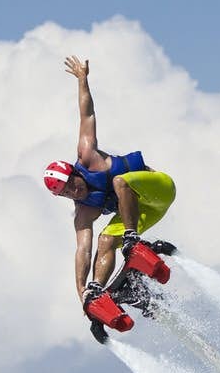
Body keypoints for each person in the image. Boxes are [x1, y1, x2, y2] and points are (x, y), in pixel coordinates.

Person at [42, 57, 176, 312]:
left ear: (73, 172)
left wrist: (83, 79)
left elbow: (87, 114)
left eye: (70, 183)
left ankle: (131, 238)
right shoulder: (83, 212)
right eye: (66, 192)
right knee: (104, 240)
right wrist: (83, 292)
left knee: (119, 181)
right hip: (147, 211)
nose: (73, 191)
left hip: (160, 189)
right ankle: (99, 294)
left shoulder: (87, 155)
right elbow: (82, 251)